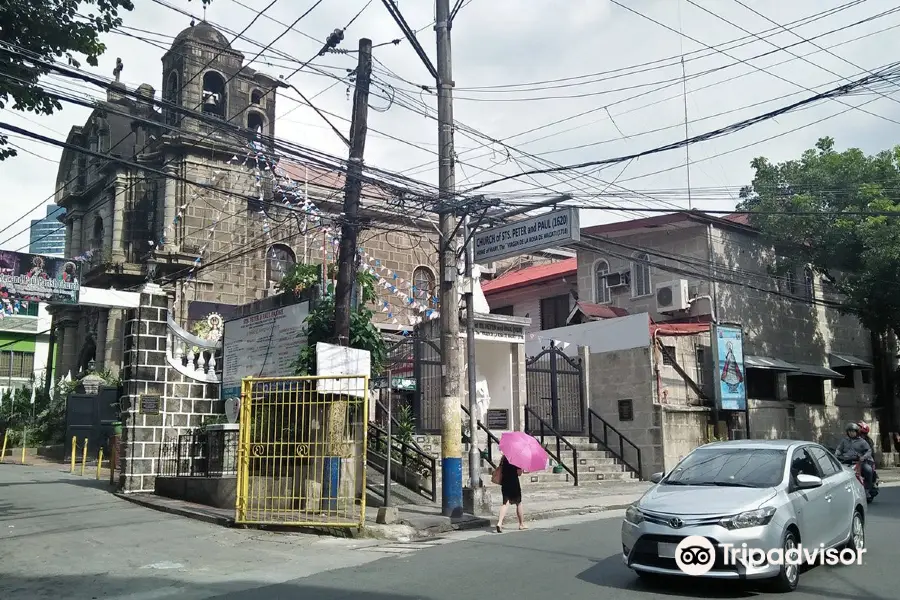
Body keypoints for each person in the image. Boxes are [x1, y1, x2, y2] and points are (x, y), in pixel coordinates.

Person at [835, 423, 875, 496]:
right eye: (849, 431)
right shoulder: (844, 441)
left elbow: (868, 451)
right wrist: (837, 453)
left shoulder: (862, 441)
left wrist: (864, 457)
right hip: (845, 461)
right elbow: (839, 449)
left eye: (853, 431)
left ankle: (867, 489)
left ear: (857, 432)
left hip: (859, 462)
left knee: (868, 470)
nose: (851, 433)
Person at [496, 454, 526, 533]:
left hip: (505, 482)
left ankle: (499, 522)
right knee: (518, 503)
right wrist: (522, 468)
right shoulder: (517, 458)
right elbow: (519, 473)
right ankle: (521, 524)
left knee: (505, 503)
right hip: (514, 482)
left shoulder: (503, 458)